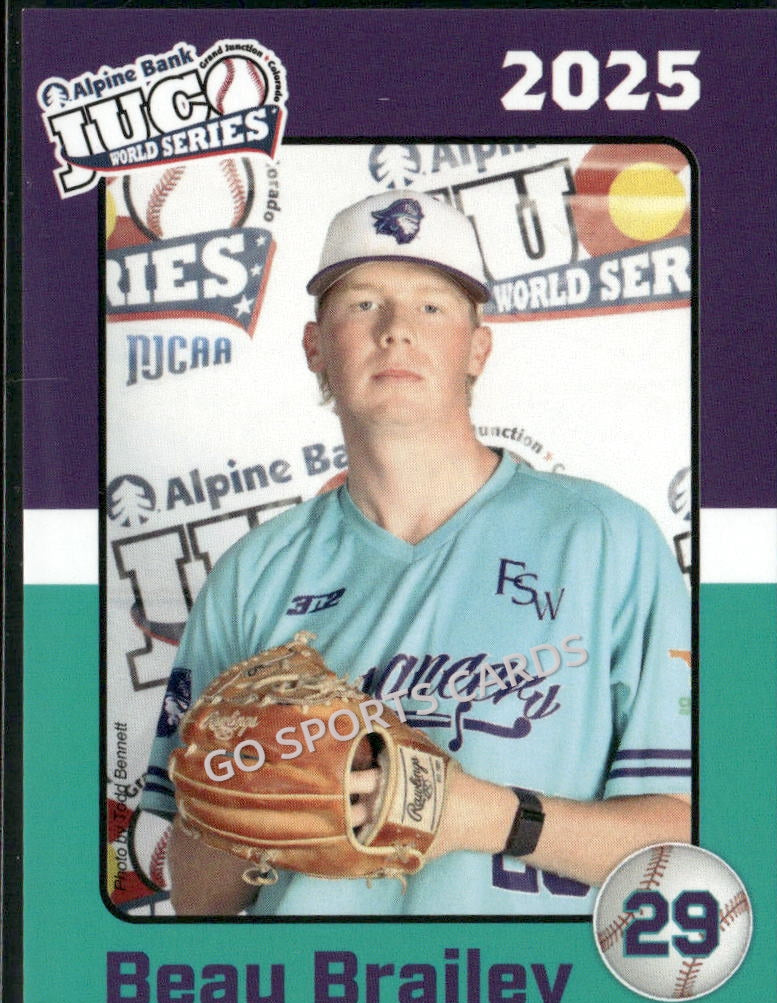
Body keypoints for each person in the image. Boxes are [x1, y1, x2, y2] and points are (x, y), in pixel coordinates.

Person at [140, 189, 691, 916]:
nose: (396, 330)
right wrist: (252, 803)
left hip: (536, 979)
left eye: (432, 307)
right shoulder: (253, 575)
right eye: (362, 304)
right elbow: (197, 898)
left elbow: (687, 841)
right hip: (318, 980)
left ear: (477, 348)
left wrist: (483, 815)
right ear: (315, 347)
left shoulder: (605, 538)